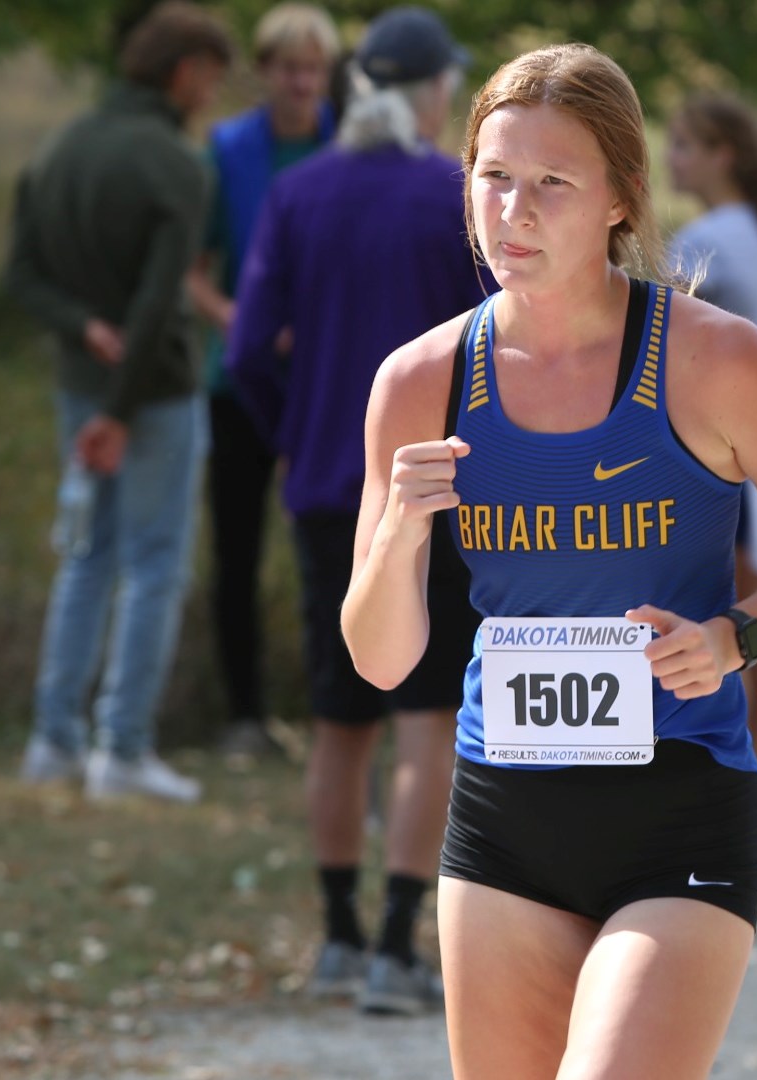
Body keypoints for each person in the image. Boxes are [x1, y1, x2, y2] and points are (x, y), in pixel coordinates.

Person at [342, 43, 757, 1078]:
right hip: (503, 822)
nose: (514, 212)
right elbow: (380, 659)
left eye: (551, 184)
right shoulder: (421, 381)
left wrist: (733, 638)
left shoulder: (716, 360)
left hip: (678, 812)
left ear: (623, 198)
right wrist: (402, 535)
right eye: (493, 178)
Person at [226, 6, 489, 1016]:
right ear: (426, 92)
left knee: (340, 720)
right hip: (440, 488)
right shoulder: (455, 197)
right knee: (428, 717)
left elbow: (249, 349)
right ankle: (395, 946)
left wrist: (295, 431)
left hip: (329, 487)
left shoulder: (298, 194)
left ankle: (335, 936)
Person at [5, 2, 232, 802]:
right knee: (153, 566)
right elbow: (158, 300)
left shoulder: (63, 144)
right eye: (210, 72)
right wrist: (121, 410)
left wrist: (80, 330)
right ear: (183, 72)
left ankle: (51, 739)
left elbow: (21, 274)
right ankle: (123, 750)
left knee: (86, 557)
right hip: (153, 394)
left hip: (81, 383)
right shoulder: (175, 163)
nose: (213, 90)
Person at [186, 3, 340, 759]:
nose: (302, 82)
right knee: (238, 548)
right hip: (240, 379)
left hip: (328, 381)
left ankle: (340, 714)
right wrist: (235, 318)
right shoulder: (228, 150)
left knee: (338, 547)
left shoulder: (347, 142)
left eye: (314, 68)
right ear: (265, 71)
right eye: (289, 68)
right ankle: (244, 715)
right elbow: (191, 268)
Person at [666, 92, 757, 750]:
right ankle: (749, 754)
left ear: (720, 157)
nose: (670, 158)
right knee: (756, 613)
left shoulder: (711, 240)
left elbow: (636, 326)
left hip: (711, 455)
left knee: (729, 612)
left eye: (683, 146)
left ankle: (730, 756)